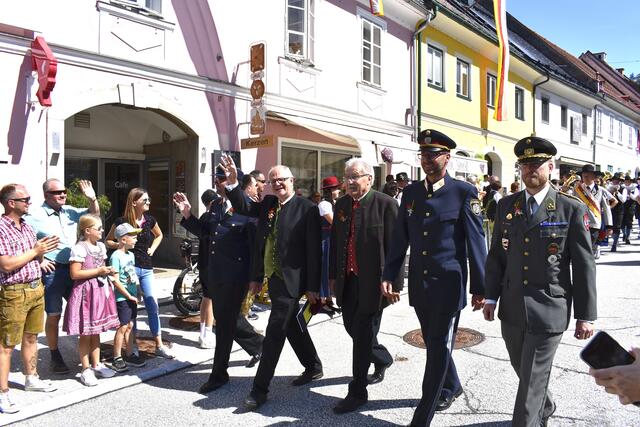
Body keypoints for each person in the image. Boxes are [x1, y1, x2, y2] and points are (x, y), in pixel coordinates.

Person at [483, 136, 597, 427]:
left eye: (536, 165)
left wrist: (586, 315)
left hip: (549, 307)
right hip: (511, 307)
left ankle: (528, 420)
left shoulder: (570, 209)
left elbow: (584, 265)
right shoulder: (507, 205)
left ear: (551, 167)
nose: (530, 170)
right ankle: (545, 405)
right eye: (525, 165)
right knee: (521, 367)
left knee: (531, 379)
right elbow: (497, 255)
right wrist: (491, 297)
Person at [382, 129, 487, 426]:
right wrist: (390, 272)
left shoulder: (463, 192)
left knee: (439, 344)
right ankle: (452, 385)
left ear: (447, 157)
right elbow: (400, 237)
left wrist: (480, 287)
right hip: (420, 282)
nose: (427, 160)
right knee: (433, 340)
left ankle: (423, 414)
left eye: (433, 154)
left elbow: (476, 242)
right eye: (423, 155)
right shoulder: (412, 193)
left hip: (448, 284)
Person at [219, 155, 323, 410]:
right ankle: (313, 366)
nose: (277, 184)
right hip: (274, 278)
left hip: (296, 279)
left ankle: (259, 389)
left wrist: (313, 287)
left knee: (275, 331)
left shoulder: (307, 208)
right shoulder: (268, 204)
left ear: (292, 181)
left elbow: (314, 250)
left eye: (282, 180)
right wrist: (234, 183)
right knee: (290, 325)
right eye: (273, 180)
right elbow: (245, 208)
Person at [174, 168, 265, 394]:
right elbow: (205, 232)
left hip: (236, 277)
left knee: (224, 324)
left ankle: (218, 375)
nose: (218, 183)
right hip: (215, 274)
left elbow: (256, 247)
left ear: (237, 182)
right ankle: (262, 347)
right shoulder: (215, 206)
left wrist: (256, 278)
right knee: (229, 320)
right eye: (217, 179)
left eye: (223, 179)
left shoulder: (248, 208)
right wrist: (187, 215)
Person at [328, 159, 401, 414]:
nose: (349, 182)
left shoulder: (386, 204)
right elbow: (336, 243)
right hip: (347, 281)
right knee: (353, 329)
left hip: (375, 284)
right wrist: (332, 277)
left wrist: (395, 283)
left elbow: (397, 248)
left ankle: (357, 392)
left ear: (369, 178)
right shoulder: (342, 204)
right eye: (347, 177)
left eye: (355, 177)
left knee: (361, 337)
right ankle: (382, 358)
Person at [25, 178, 99, 374]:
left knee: (84, 311)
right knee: (54, 314)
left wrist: (92, 198)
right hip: (53, 272)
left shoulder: (70, 211)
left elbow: (94, 215)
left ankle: (92, 356)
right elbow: (26, 239)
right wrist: (39, 260)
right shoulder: (34, 215)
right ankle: (55, 354)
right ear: (46, 195)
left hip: (75, 269)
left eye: (64, 191)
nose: (63, 195)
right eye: (58, 192)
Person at [0, 184, 59, 413]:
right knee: (6, 345)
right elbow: (6, 265)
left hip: (35, 289)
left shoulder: (26, 227)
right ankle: (3, 393)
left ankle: (31, 378)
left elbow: (32, 254)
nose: (29, 202)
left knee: (32, 338)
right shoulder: (1, 228)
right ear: (11, 203)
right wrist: (36, 252)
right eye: (25, 199)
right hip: (14, 293)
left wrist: (41, 257)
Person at [105, 188, 174, 359]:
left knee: (153, 305)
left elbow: (159, 235)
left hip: (147, 267)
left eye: (149, 199)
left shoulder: (149, 220)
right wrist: (120, 246)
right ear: (134, 202)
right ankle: (132, 345)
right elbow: (108, 240)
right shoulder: (122, 222)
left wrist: (152, 248)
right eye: (145, 200)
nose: (149, 202)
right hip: (130, 268)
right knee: (132, 308)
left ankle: (158, 344)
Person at [63, 214, 119, 386]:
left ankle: (97, 364)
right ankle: (85, 368)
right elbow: (75, 274)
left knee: (96, 330)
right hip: (86, 293)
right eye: (99, 228)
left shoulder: (100, 246)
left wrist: (107, 271)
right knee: (86, 332)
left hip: (100, 290)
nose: (102, 231)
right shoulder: (79, 248)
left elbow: (99, 267)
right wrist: (99, 271)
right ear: (87, 231)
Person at [108, 223, 146, 372]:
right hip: (122, 298)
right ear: (123, 239)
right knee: (122, 327)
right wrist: (128, 295)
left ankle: (130, 353)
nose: (136, 239)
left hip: (131, 297)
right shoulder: (115, 257)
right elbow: (115, 280)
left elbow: (133, 276)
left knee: (130, 325)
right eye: (133, 236)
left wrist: (138, 291)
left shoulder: (131, 255)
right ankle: (116, 357)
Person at [571, 164, 613, 259]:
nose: (584, 178)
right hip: (580, 222)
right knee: (581, 248)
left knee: (589, 248)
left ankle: (589, 265)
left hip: (594, 223)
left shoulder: (601, 190)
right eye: (583, 176)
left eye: (587, 175)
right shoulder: (577, 189)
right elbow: (572, 204)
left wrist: (609, 226)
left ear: (594, 177)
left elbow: (606, 208)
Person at [319, 176, 340, 304]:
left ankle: (329, 297)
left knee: (332, 268)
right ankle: (323, 298)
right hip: (325, 239)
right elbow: (335, 222)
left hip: (332, 238)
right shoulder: (324, 204)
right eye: (337, 189)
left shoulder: (334, 203)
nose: (339, 191)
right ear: (331, 190)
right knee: (325, 267)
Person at [607, 173, 627, 252]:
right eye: (614, 180)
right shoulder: (608, 188)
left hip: (619, 210)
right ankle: (615, 239)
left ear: (619, 181)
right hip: (610, 209)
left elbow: (623, 200)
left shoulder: (623, 189)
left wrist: (618, 192)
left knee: (617, 227)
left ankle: (614, 244)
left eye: (617, 180)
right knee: (610, 226)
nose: (615, 182)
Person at [621, 175, 638, 244]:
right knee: (622, 222)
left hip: (631, 206)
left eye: (628, 181)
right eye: (625, 181)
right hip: (623, 206)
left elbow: (635, 198)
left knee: (629, 222)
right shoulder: (621, 187)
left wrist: (629, 193)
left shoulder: (635, 188)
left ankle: (627, 237)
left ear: (630, 181)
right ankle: (624, 234)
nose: (626, 182)